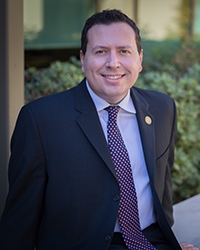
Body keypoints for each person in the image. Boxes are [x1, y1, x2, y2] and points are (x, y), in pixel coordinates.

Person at [0, 9, 197, 250]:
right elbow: (20, 218)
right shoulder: (40, 120)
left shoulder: (162, 108)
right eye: (101, 51)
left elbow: (162, 190)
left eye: (124, 51)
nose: (113, 63)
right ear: (83, 60)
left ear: (140, 59)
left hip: (151, 242)